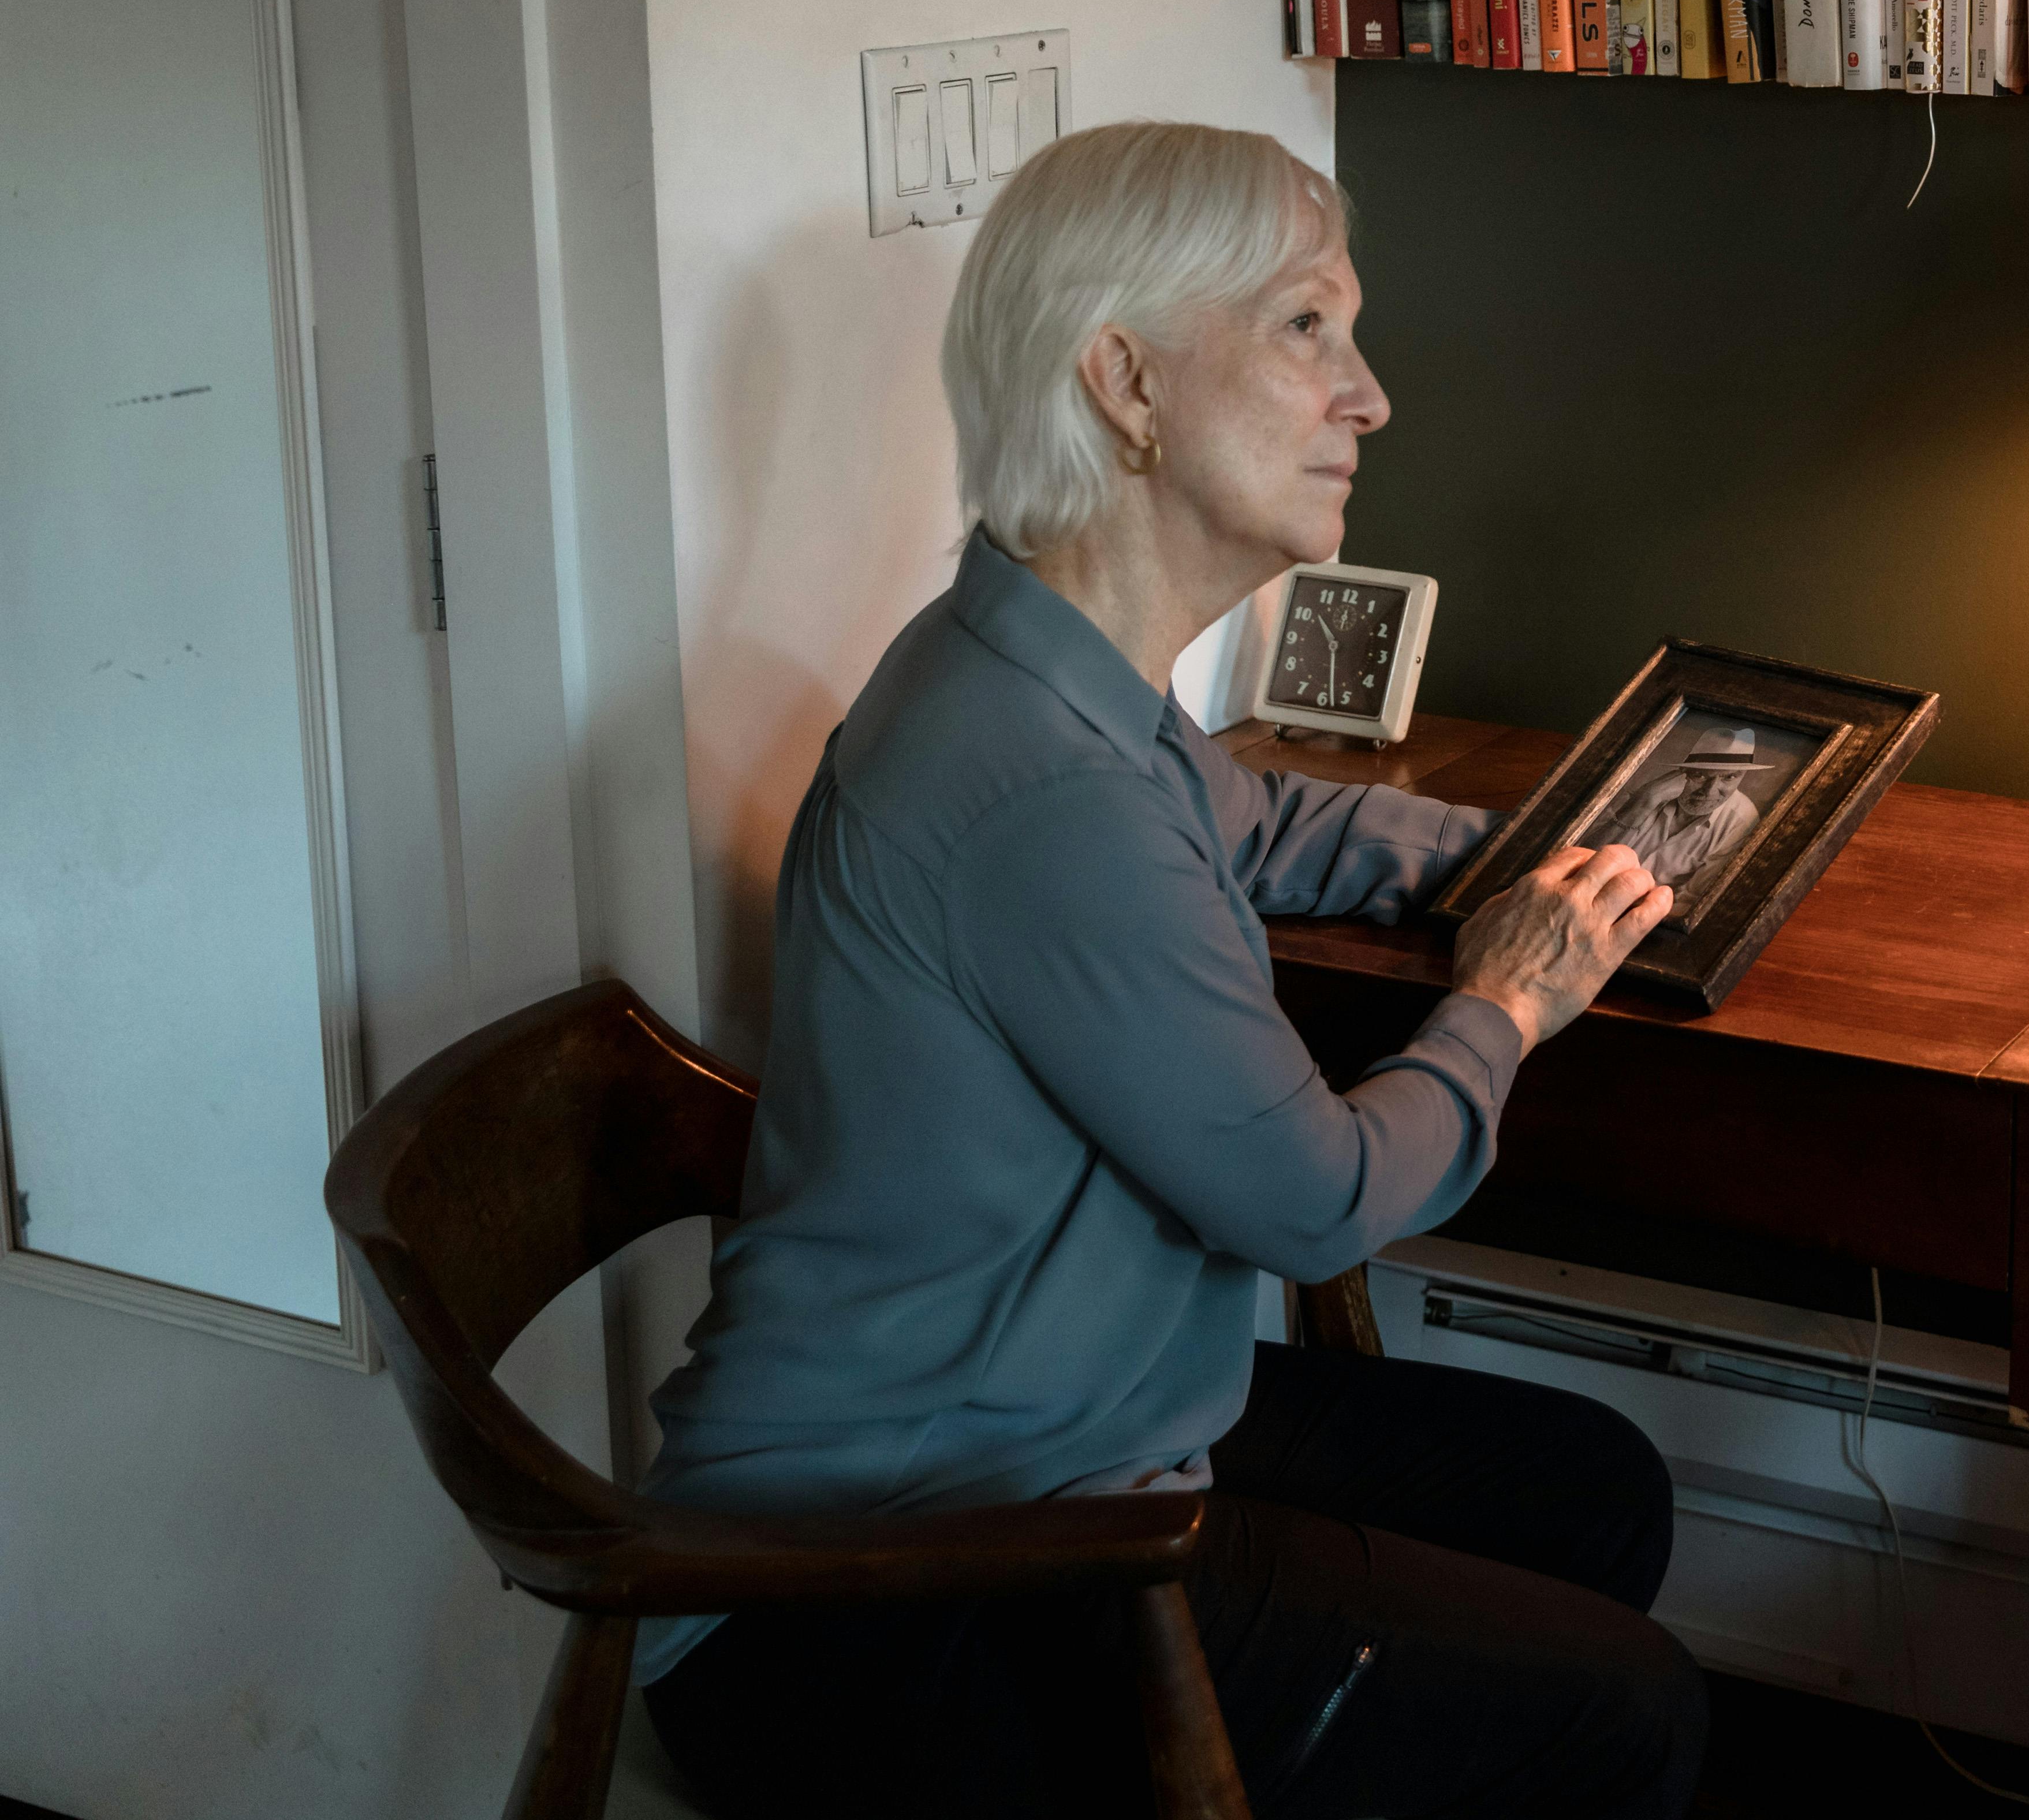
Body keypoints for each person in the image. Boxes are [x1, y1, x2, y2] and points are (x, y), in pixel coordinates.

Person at [636, 121, 1698, 1819]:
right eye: (1305, 330)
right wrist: (1506, 997)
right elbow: (1315, 1198)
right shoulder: (1040, 780)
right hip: (867, 1594)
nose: (1368, 397)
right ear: (1124, 381)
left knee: (1591, 1488)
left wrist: (1521, 859)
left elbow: (1250, 816)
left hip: (1059, 1439)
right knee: (1619, 1717)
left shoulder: (1027, 652)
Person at [1585, 726, 1770, 889]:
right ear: (1683, 772)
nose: (1710, 791)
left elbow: (1692, 900)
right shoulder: (1645, 789)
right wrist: (1642, 803)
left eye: (1729, 778)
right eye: (1701, 776)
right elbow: (1584, 857)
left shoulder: (1742, 821)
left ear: (1742, 777)